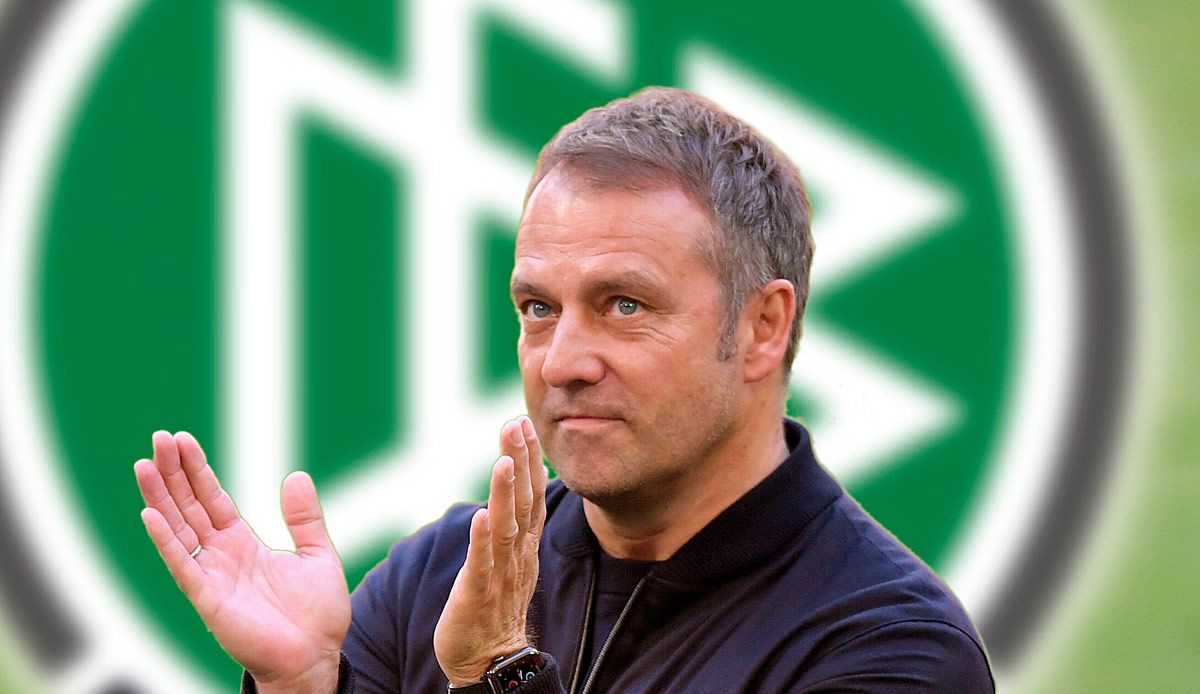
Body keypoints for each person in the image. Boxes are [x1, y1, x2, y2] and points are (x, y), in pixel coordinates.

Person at [134, 87, 994, 693]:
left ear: (764, 327)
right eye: (539, 308)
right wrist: (302, 686)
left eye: (625, 305)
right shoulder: (438, 576)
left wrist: (498, 675)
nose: (563, 361)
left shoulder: (890, 650)